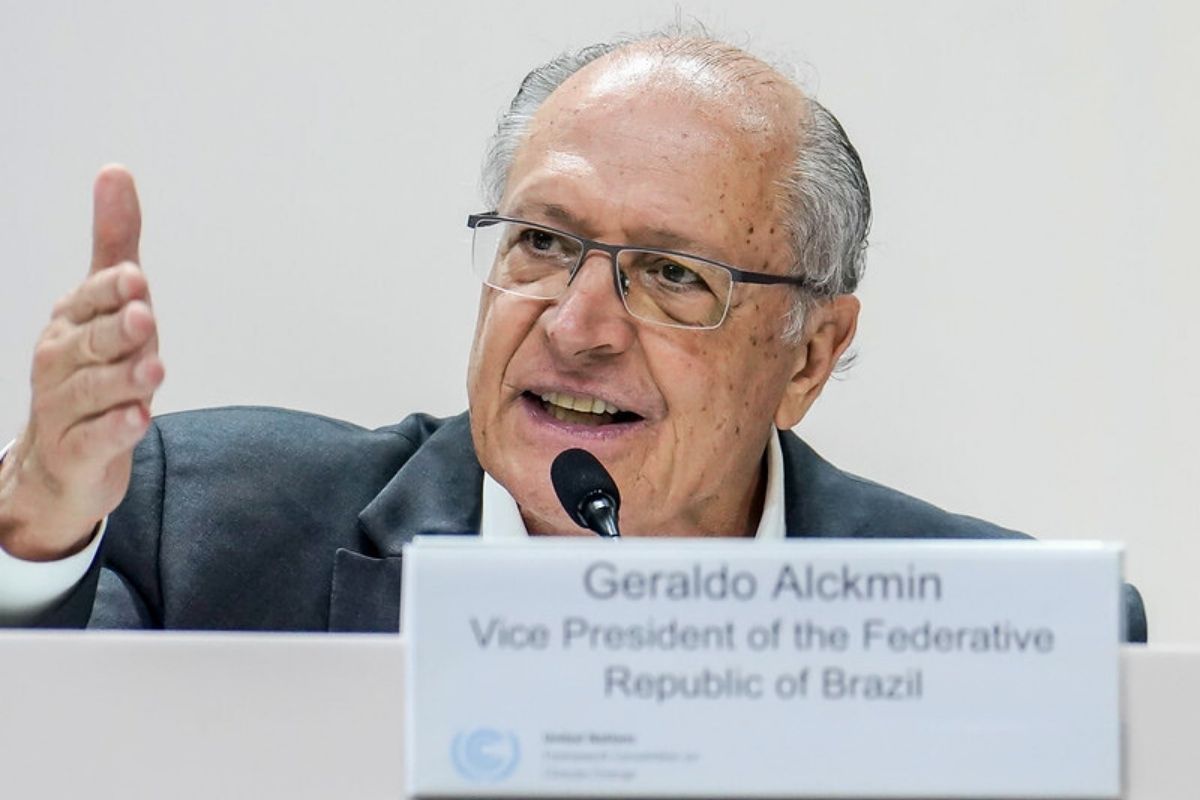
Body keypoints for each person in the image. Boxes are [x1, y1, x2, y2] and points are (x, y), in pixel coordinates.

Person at [0, 32, 1147, 638]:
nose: (577, 323)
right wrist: (37, 529)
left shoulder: (1008, 629)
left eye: (668, 273)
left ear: (807, 354)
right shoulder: (198, 526)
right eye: (542, 242)